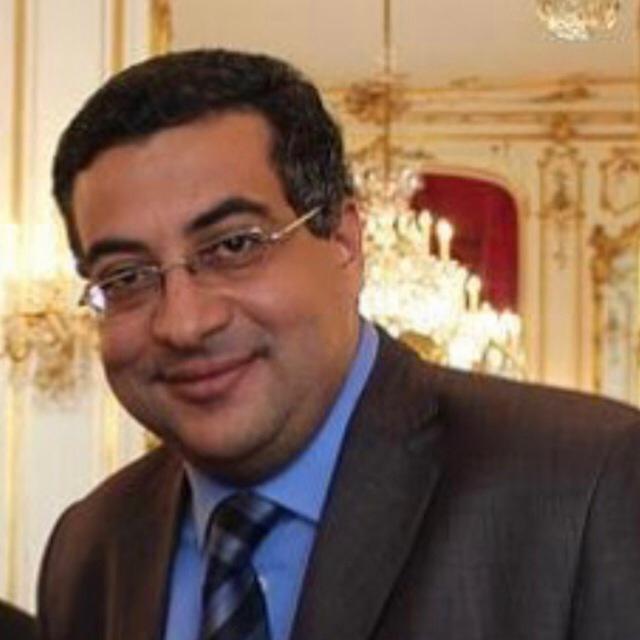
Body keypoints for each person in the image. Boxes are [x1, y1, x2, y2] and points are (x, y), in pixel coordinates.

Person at [38, 48, 640, 640]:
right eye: (126, 278)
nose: (183, 324)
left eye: (234, 246)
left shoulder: (587, 483)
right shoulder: (89, 547)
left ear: (345, 244)